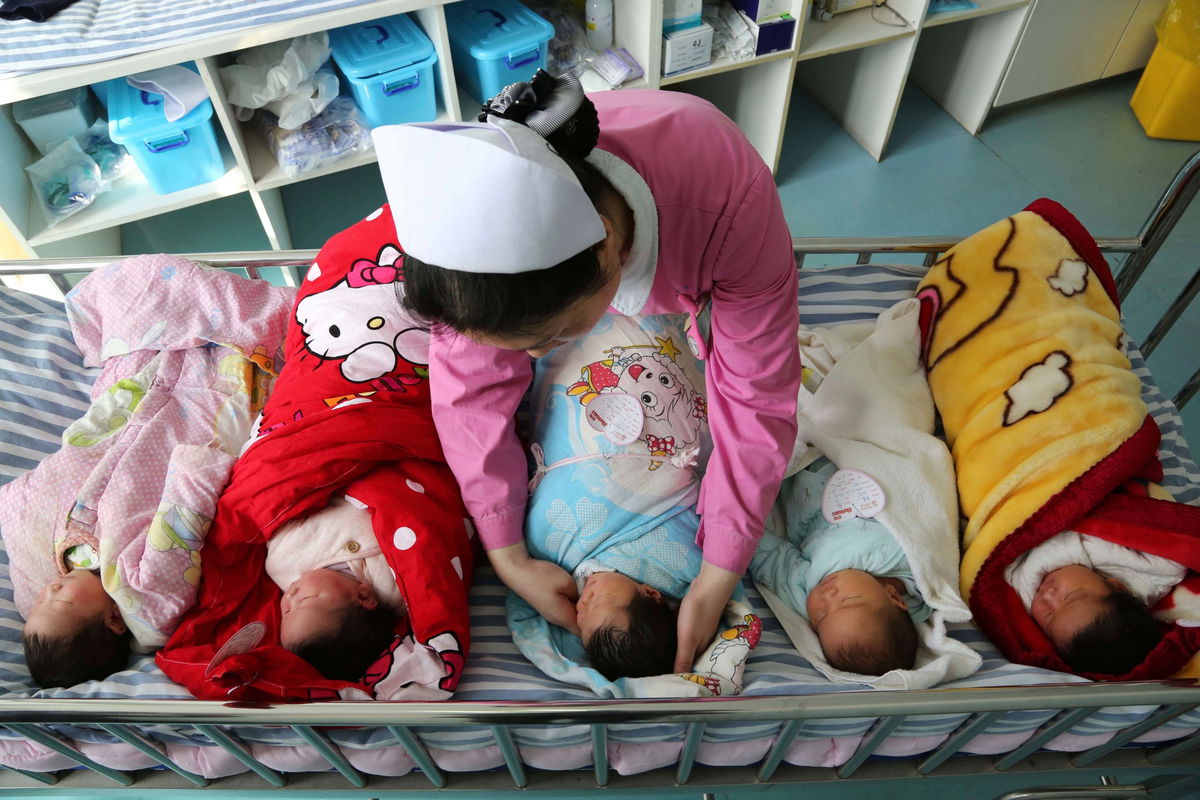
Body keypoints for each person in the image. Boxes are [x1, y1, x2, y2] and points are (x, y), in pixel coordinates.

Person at [372, 71, 801, 671]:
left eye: (549, 339)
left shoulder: (727, 202)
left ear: (610, 257)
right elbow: (468, 391)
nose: (529, 359)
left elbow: (755, 393)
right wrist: (508, 553)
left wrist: (718, 571)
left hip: (693, 181)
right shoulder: (467, 250)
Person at [749, 459, 924, 676]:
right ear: (894, 597)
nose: (828, 596)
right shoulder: (920, 579)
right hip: (879, 473)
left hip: (814, 479)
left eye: (821, 615)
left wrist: (732, 520)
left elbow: (769, 558)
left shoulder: (804, 590)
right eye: (848, 601)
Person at [1005, 530, 1184, 675]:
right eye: (1070, 597)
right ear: (1117, 586)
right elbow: (1178, 544)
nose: (1048, 595)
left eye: (1048, 616)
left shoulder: (1021, 591)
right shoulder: (1149, 569)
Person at [267, 497, 406, 682]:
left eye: (286, 612)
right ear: (364, 596)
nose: (289, 596)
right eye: (304, 600)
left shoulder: (284, 562)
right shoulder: (395, 587)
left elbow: (280, 510)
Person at [23, 562, 130, 688]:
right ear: (115, 618)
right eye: (63, 601)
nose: (50, 589)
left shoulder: (66, 564)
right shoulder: (137, 578)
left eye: (39, 601)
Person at [577, 569, 677, 681]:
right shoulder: (669, 575)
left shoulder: (572, 587)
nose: (583, 601)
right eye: (600, 598)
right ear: (649, 593)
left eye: (581, 616)